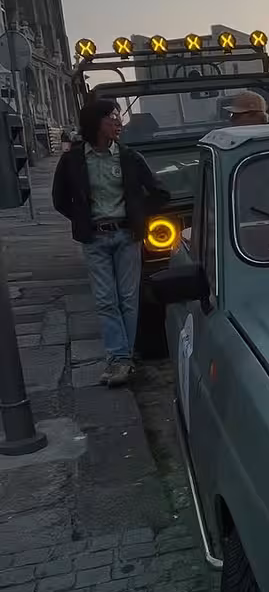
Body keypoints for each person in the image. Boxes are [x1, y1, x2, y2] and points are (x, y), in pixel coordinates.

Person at [52, 99, 169, 386]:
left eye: (118, 117)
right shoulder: (73, 160)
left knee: (128, 298)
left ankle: (122, 359)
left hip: (126, 236)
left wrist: (137, 214)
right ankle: (120, 358)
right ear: (95, 123)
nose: (118, 122)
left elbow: (160, 193)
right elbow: (60, 199)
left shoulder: (129, 157)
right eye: (111, 117)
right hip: (94, 238)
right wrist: (82, 218)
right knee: (106, 299)